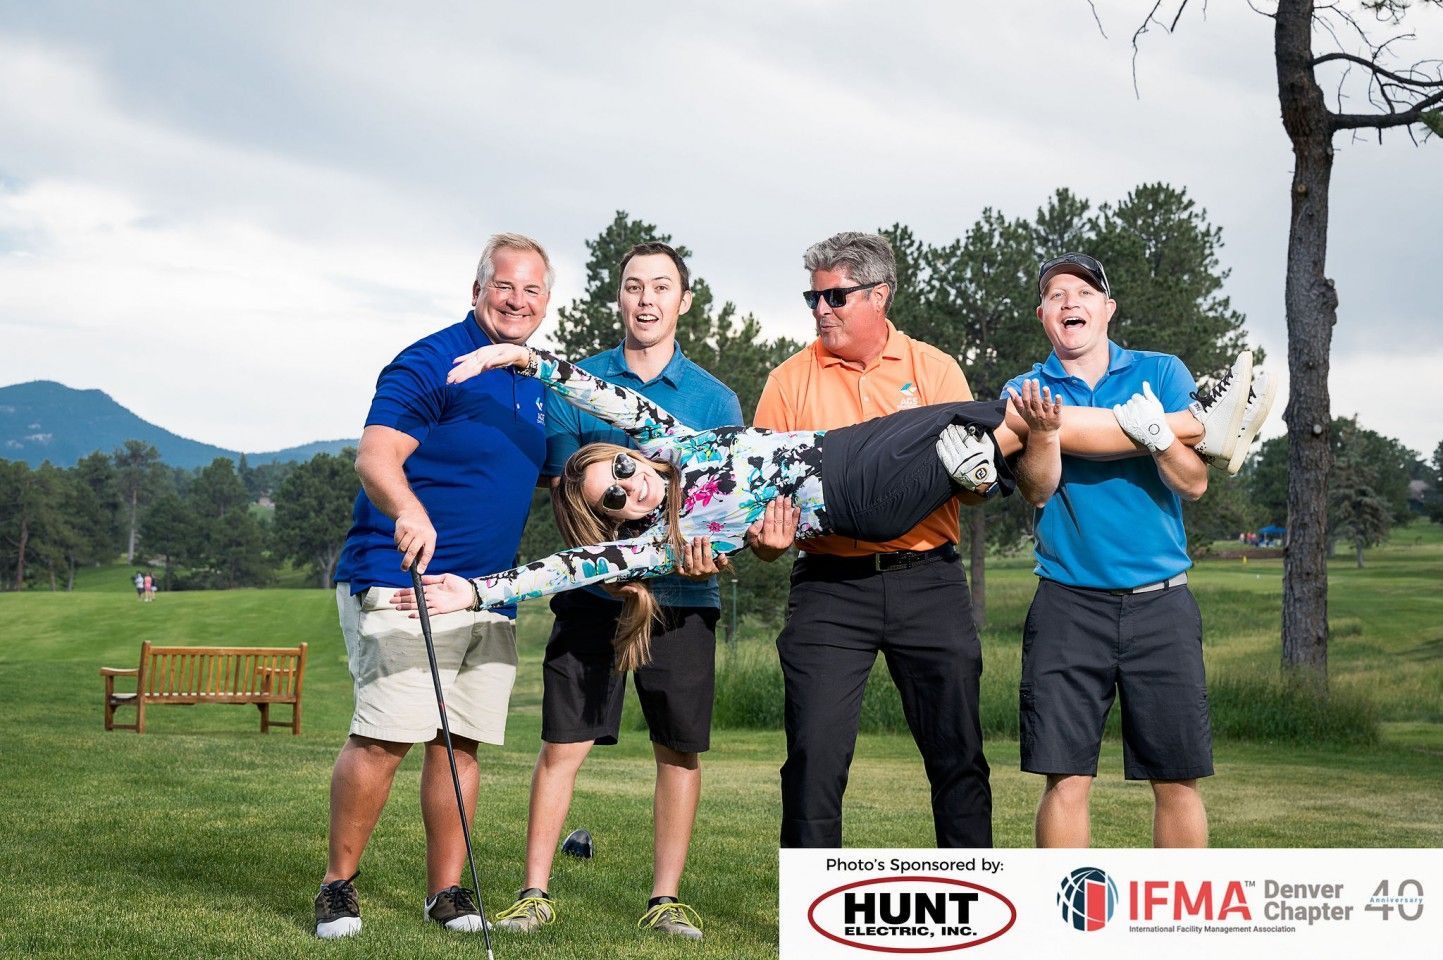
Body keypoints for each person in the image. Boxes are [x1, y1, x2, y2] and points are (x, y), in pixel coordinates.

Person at [490, 242, 744, 941]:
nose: (646, 299)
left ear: (683, 300)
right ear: (619, 296)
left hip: (683, 600)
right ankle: (533, 893)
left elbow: (720, 504)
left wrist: (704, 549)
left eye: (661, 286)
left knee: (678, 750)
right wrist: (618, 554)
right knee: (562, 744)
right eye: (634, 286)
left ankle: (665, 899)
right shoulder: (578, 382)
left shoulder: (715, 399)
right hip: (595, 596)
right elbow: (568, 491)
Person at [313, 233, 555, 939]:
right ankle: (337, 886)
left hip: (486, 593)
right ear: (476, 291)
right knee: (383, 737)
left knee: (459, 743)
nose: (517, 301)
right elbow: (375, 456)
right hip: (402, 579)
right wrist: (409, 509)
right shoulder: (429, 360)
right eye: (504, 286)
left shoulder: (536, 380)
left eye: (532, 290)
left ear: (546, 301)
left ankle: (446, 892)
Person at [1003, 252, 1274, 849]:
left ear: (1108, 309)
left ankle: (1178, 914)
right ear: (1042, 314)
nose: (1070, 302)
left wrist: (1158, 438)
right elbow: (1038, 489)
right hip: (1068, 605)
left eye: (1084, 292)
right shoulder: (1026, 391)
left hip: (1160, 605)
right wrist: (1045, 434)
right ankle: (1205, 421)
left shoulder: (1162, 371)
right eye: (1056, 294)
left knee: (1177, 779)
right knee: (1065, 778)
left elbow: (1194, 484)